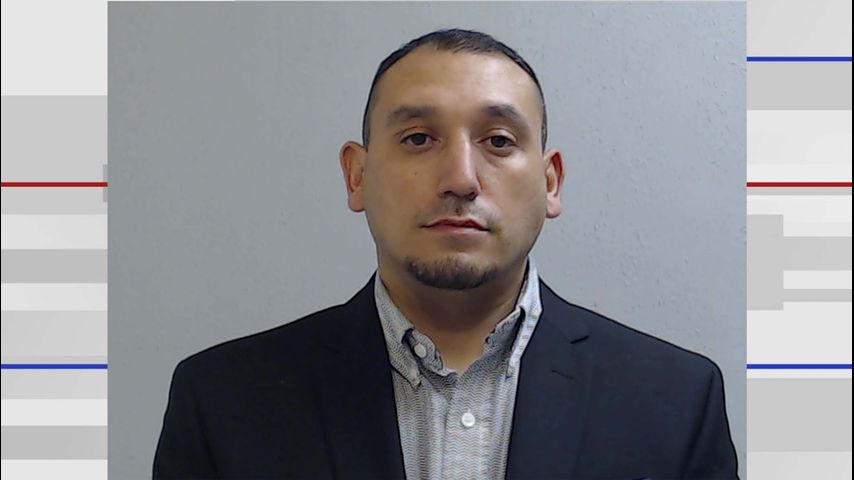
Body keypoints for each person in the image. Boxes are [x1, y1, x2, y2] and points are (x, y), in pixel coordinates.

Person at [153, 28, 739, 479]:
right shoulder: (223, 401)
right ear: (357, 176)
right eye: (418, 139)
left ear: (550, 182)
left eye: (498, 141)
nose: (460, 178)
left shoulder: (676, 401)